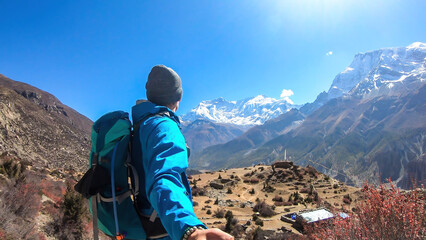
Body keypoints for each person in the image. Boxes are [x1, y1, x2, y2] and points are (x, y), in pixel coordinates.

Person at [131, 65, 234, 240]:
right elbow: (164, 178)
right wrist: (190, 230)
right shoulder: (165, 127)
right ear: (175, 98)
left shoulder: (142, 124)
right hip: (163, 231)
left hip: (142, 223)